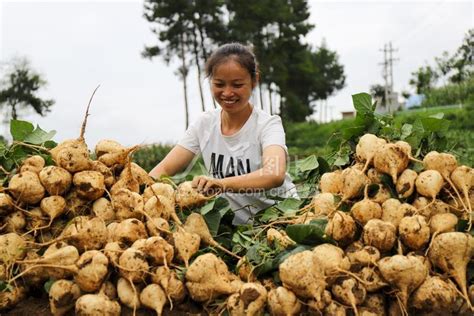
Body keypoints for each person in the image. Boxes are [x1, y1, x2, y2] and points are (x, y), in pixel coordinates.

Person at [149, 42, 297, 224]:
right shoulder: (204, 124)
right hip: (232, 228)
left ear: (254, 80)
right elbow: (163, 170)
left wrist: (222, 184)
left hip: (280, 220)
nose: (227, 93)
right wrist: (138, 189)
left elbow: (274, 174)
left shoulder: (268, 125)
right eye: (219, 84)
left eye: (237, 84)